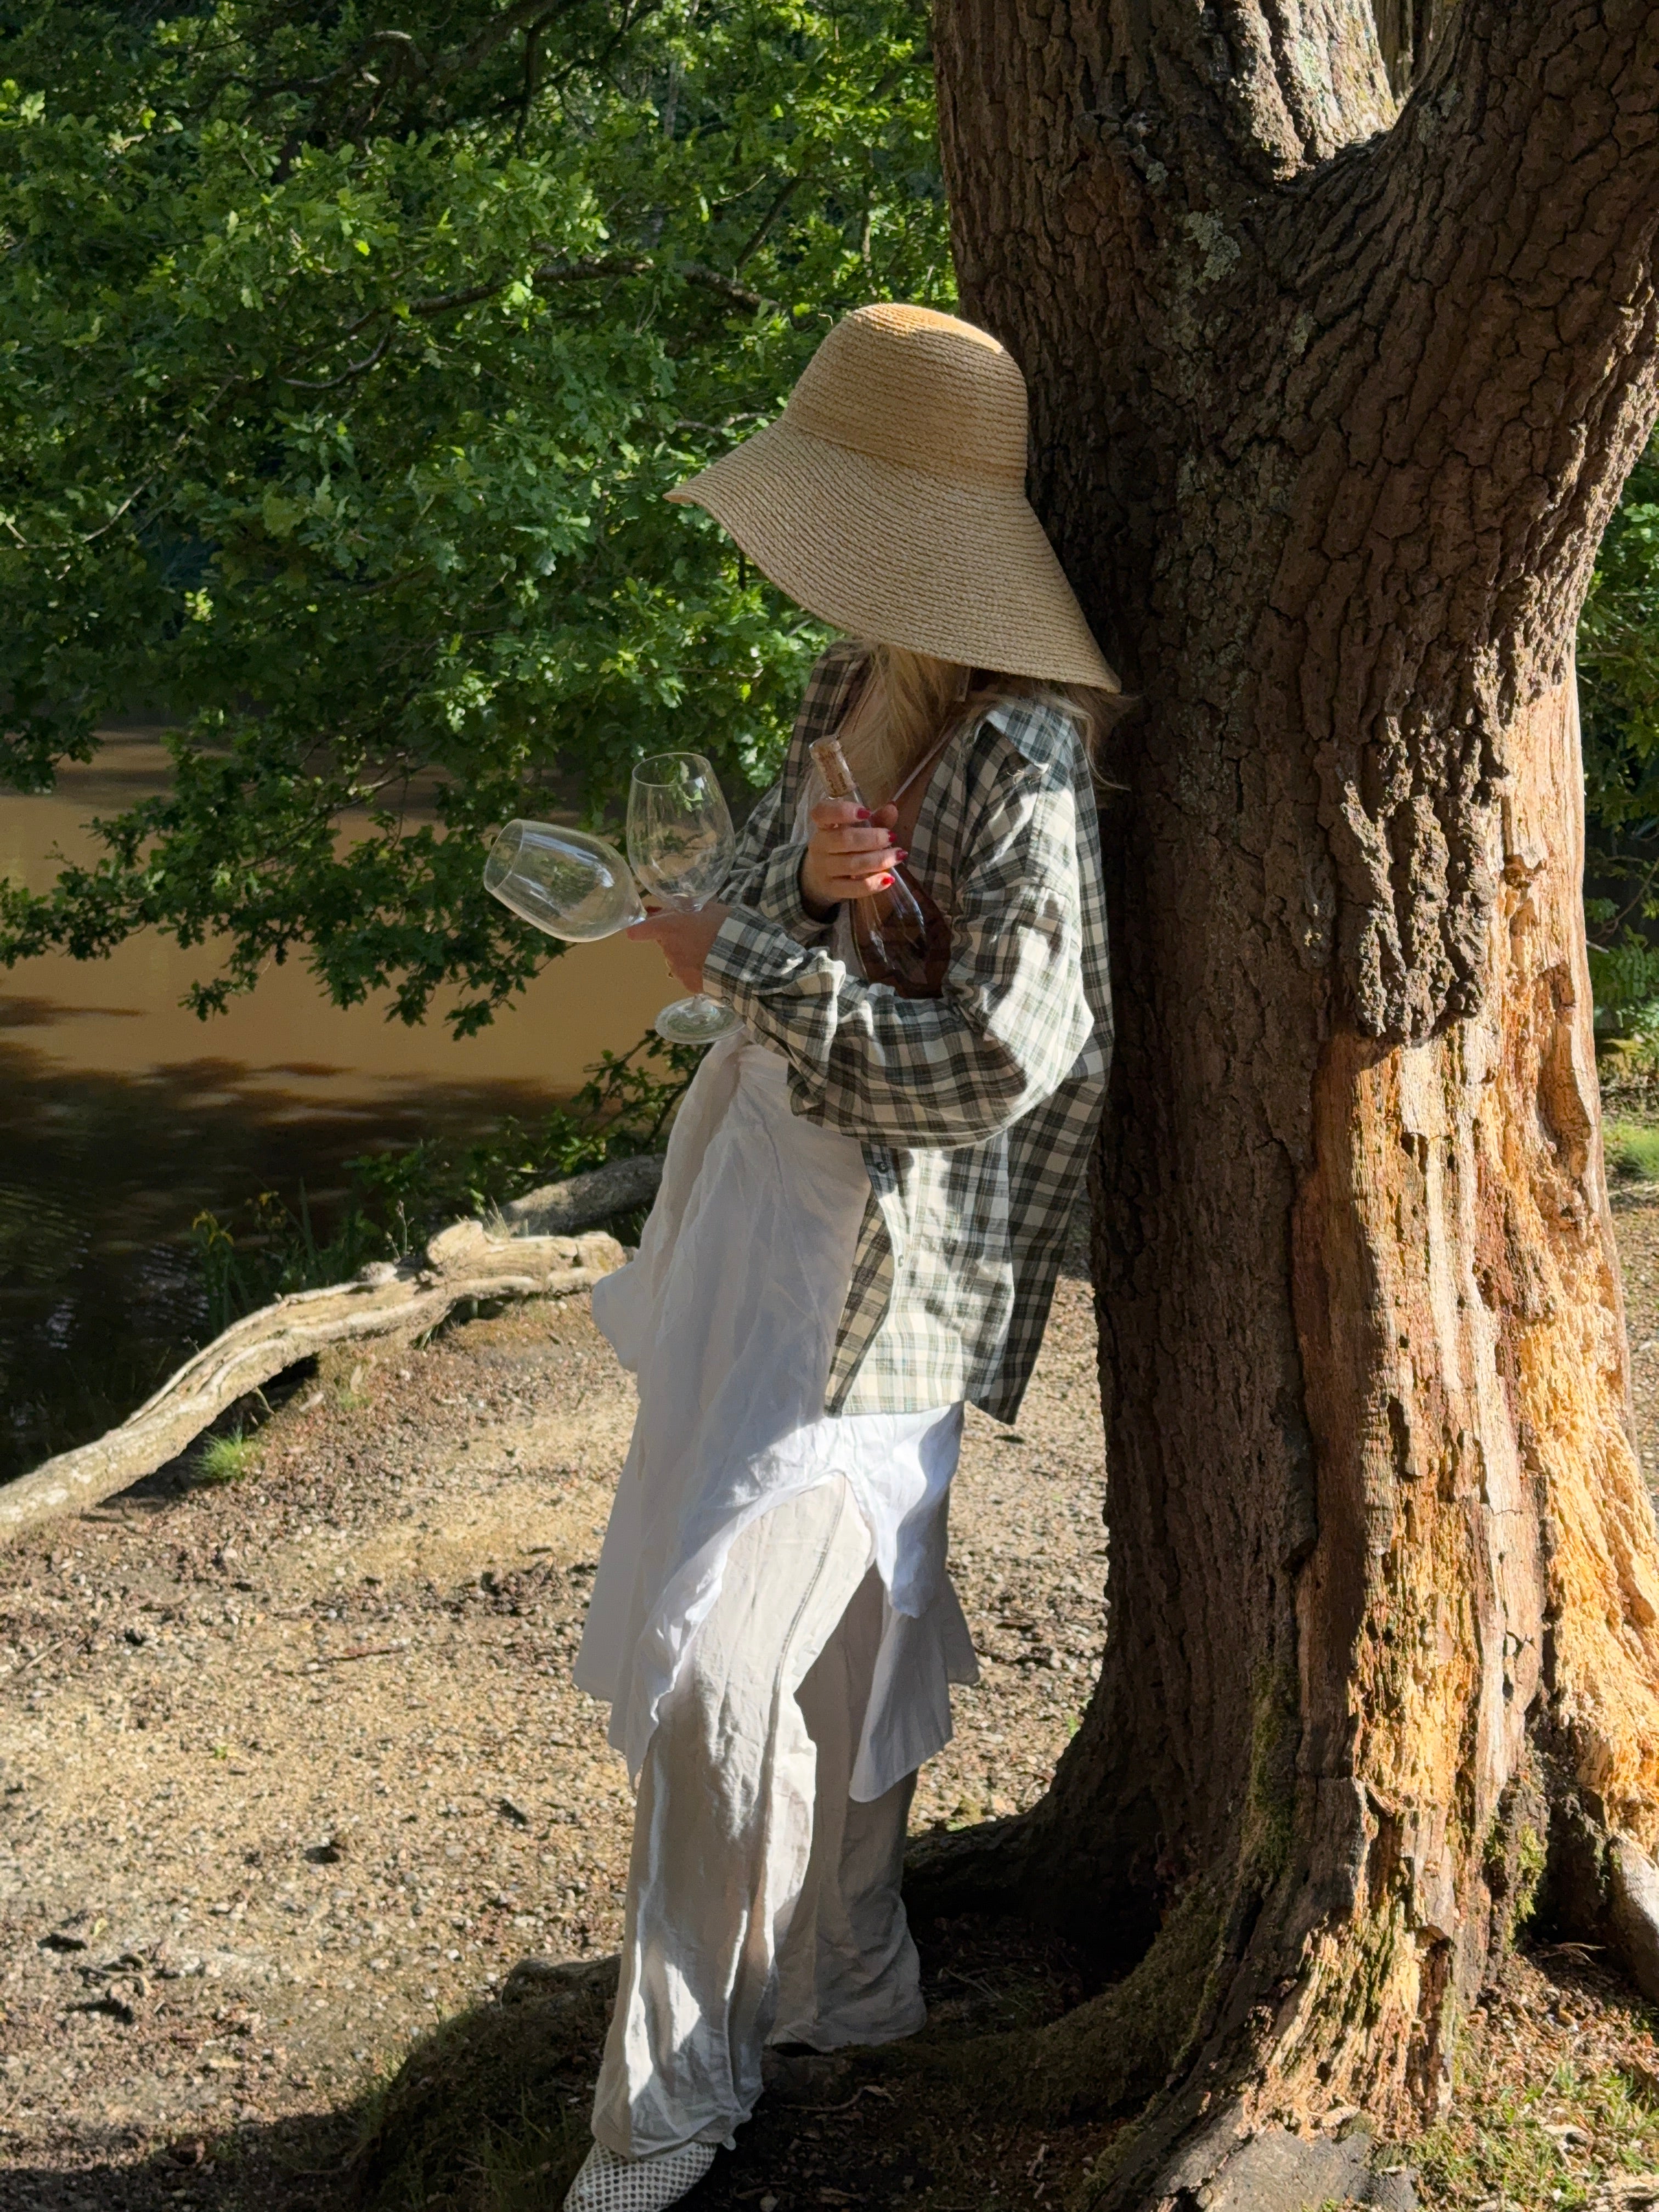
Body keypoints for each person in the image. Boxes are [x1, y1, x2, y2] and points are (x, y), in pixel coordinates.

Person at [562, 302, 1118, 2212]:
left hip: (888, 1274)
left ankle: (666, 2104)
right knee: (841, 1635)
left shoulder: (1024, 752)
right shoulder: (848, 685)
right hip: (764, 1229)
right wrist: (774, 905)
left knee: (738, 1667)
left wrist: (772, 965)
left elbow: (1009, 1054)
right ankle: (850, 1984)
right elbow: (731, 902)